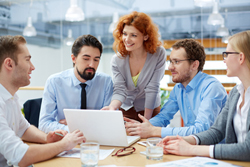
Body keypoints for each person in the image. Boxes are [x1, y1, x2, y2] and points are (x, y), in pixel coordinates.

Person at [159, 30, 250, 161]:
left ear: (241, 58)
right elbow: (216, 131)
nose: (223, 60)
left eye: (226, 54)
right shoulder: (236, 93)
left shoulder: (212, 86)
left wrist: (191, 149)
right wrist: (182, 140)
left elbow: (247, 149)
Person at [0, 35, 86, 167]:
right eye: (27, 60)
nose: (33, 67)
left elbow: (24, 129)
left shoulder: (11, 98)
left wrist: (46, 138)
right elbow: (21, 156)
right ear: (9, 64)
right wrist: (64, 144)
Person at [125, 39, 228, 138]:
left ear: (194, 65)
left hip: (214, 151)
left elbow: (201, 130)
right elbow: (164, 117)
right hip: (191, 146)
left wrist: (154, 131)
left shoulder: (212, 87)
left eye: (176, 62)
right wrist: (140, 127)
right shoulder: (178, 89)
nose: (170, 67)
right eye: (170, 61)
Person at [39, 34, 113, 133]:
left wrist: (75, 124)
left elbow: (110, 121)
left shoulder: (106, 82)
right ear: (74, 58)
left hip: (97, 141)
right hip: (66, 140)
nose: (92, 64)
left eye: (96, 59)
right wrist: (73, 130)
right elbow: (44, 124)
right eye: (86, 59)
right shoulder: (54, 82)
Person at [102, 11, 167, 121]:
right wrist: (112, 107)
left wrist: (146, 121)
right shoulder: (117, 60)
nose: (127, 39)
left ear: (145, 36)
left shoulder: (158, 54)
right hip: (126, 110)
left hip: (150, 110)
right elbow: (119, 90)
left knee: (149, 138)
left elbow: (152, 88)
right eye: (125, 34)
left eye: (133, 35)